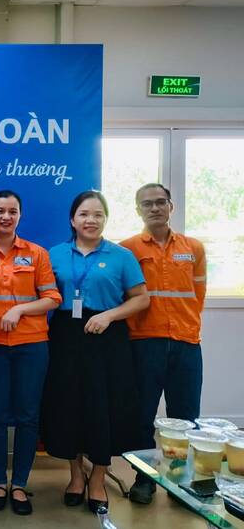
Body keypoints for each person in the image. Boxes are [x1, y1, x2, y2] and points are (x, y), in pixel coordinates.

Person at [41, 190, 150, 514]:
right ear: (72, 219)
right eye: (85, 214)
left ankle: (99, 477)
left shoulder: (120, 255)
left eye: (98, 215)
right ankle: (76, 476)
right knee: (69, 406)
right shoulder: (55, 254)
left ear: (105, 219)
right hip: (65, 336)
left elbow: (141, 298)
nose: (91, 220)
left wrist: (109, 315)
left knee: (105, 408)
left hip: (107, 338)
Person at [120, 183, 207, 505]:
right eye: (147, 204)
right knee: (142, 416)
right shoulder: (127, 249)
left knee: (186, 418)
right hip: (144, 343)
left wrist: (186, 326)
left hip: (186, 342)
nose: (154, 208)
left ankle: (180, 481)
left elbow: (198, 295)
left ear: (172, 207)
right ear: (138, 210)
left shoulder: (193, 247)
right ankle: (145, 479)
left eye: (160, 203)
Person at [0, 190, 62, 516]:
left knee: (28, 416)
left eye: (12, 211)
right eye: (0, 210)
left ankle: (20, 484)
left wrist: (21, 311)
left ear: (20, 216)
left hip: (32, 345)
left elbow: (52, 297)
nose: (6, 216)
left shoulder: (36, 253)